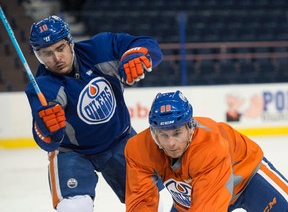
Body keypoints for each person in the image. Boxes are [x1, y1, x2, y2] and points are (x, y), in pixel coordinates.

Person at [25, 15, 164, 212]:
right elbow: (46, 141)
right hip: (72, 152)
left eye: (60, 48)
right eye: (46, 54)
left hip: (120, 141)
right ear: (37, 55)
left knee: (152, 201)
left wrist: (134, 54)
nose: (56, 58)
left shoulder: (100, 49)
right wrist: (47, 129)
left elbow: (148, 45)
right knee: (73, 208)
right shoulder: (42, 87)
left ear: (70, 43)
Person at [125, 90, 288, 212]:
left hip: (247, 179)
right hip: (192, 195)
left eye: (177, 133)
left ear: (190, 128)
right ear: (153, 133)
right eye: (163, 135)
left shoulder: (210, 146)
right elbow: (141, 202)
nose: (171, 143)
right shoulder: (140, 150)